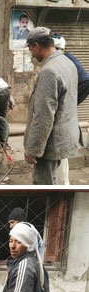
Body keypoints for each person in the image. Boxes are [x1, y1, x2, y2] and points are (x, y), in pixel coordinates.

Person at [24, 27, 81, 185]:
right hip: (64, 137)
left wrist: (33, 149)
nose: (31, 53)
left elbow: (43, 115)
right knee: (56, 184)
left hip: (50, 143)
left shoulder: (49, 71)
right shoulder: (67, 62)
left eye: (30, 48)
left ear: (36, 45)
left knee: (44, 186)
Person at [53, 33, 89, 184]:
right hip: (82, 85)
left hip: (82, 84)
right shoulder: (65, 58)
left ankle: (62, 182)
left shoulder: (62, 60)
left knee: (60, 150)